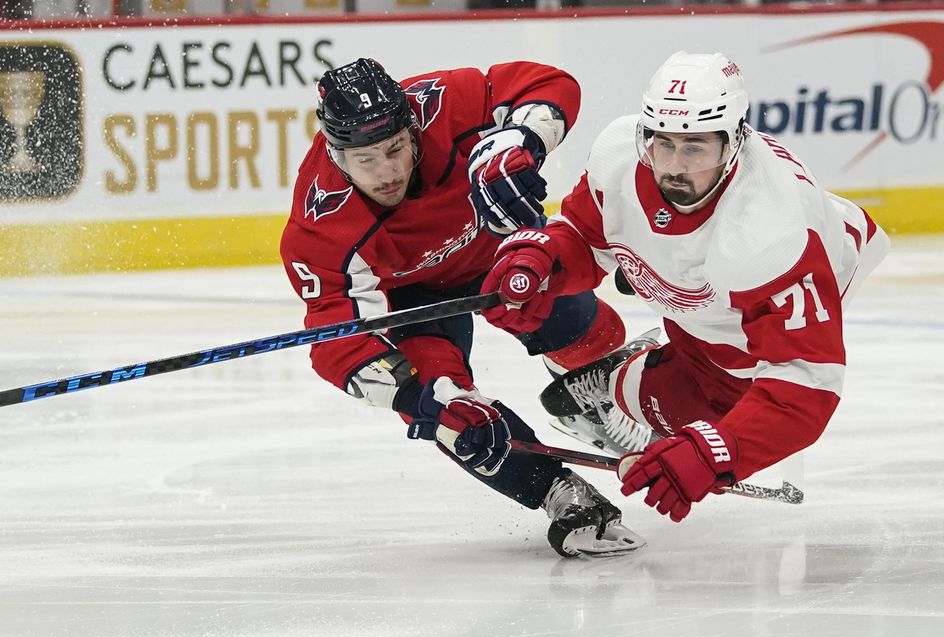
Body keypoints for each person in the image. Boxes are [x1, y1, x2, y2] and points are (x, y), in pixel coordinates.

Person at [480, 51, 889, 523]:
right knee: (706, 372)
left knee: (726, 410)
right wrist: (542, 259)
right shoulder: (619, 154)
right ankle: (645, 361)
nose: (673, 166)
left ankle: (619, 380)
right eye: (663, 144)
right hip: (708, 287)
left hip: (798, 276)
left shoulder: (771, 235)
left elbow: (805, 381)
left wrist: (717, 451)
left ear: (735, 140)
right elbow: (584, 235)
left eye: (695, 147)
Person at [279, 57, 645, 558]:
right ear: (335, 153)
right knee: (456, 417)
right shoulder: (321, 224)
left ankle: (589, 392)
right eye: (366, 160)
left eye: (395, 149)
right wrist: (413, 398)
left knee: (594, 333)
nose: (387, 172)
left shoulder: (443, 104)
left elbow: (551, 82)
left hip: (497, 251)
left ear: (412, 127)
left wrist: (521, 139)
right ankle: (559, 494)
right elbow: (335, 337)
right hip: (413, 302)